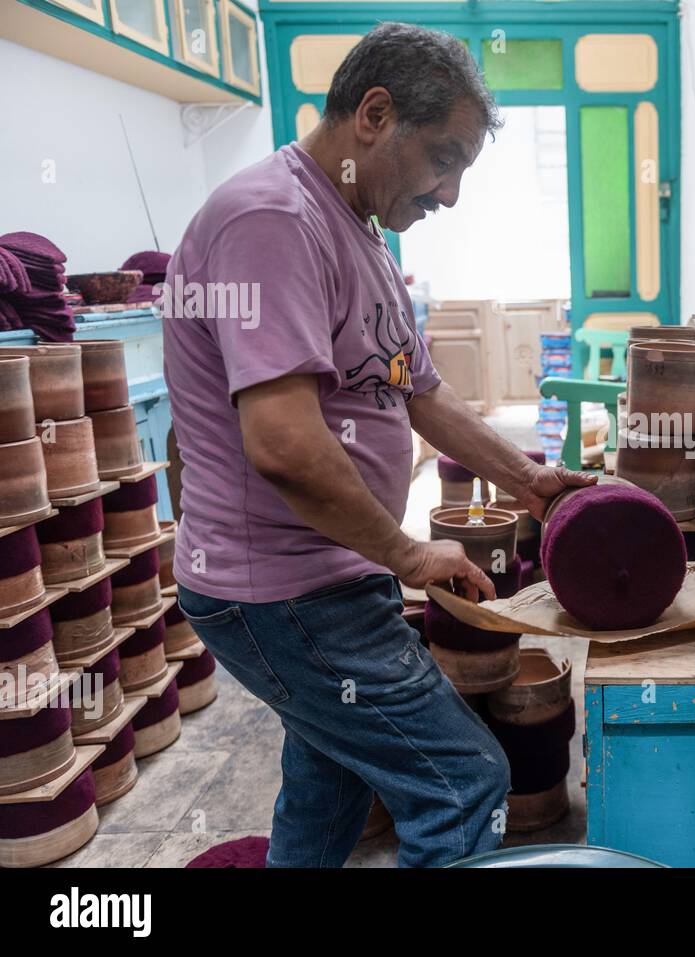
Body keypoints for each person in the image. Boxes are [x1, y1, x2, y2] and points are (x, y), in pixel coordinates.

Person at [162, 22, 593, 867]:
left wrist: (532, 480)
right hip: (283, 590)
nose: (451, 195)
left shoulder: (361, 233)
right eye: (444, 159)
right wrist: (407, 552)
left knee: (331, 779)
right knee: (461, 779)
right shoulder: (269, 221)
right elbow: (282, 443)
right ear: (375, 113)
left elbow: (417, 388)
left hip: (327, 579)